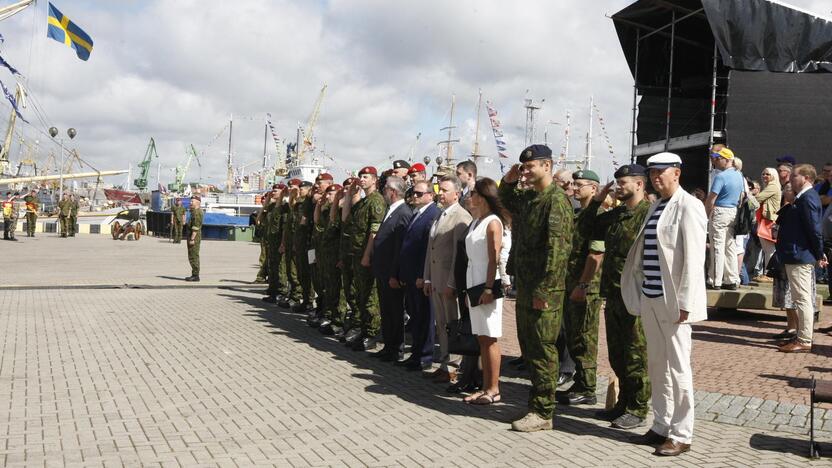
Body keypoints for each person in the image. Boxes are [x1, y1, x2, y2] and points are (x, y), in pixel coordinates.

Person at [621, 152, 708, 457]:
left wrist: (686, 301)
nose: (656, 178)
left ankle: (682, 434)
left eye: (661, 172)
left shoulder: (690, 206)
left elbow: (695, 260)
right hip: (651, 296)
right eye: (652, 173)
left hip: (674, 303)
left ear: (677, 173)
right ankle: (661, 424)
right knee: (657, 363)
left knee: (679, 367)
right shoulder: (656, 205)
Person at [499, 144, 573, 432]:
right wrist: (510, 177)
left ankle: (543, 412)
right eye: (523, 166)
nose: (526, 170)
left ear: (547, 166)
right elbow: (505, 197)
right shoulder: (530, 197)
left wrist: (545, 290)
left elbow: (558, 251)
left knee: (543, 348)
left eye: (531, 166)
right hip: (527, 285)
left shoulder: (556, 200)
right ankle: (537, 405)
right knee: (529, 347)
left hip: (545, 289)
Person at [579, 164, 652, 430]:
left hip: (636, 295)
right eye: (617, 183)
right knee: (617, 354)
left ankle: (638, 407)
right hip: (613, 293)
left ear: (640, 184)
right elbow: (586, 229)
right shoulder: (617, 214)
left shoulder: (649, 214)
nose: (618, 187)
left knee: (636, 354)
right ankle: (623, 403)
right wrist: (598, 200)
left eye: (623, 183)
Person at [461, 177, 510, 405]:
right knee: (481, 337)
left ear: (483, 196)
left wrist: (489, 287)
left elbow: (494, 258)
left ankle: (494, 388)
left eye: (473, 194)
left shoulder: (493, 222)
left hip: (487, 283)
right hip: (473, 280)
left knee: (490, 337)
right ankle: (484, 386)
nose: (469, 198)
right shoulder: (476, 221)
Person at [559, 170, 604, 406]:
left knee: (585, 337)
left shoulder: (597, 216)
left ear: (594, 189)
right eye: (573, 184)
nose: (575, 188)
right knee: (574, 336)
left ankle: (588, 387)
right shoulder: (578, 214)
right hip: (571, 283)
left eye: (580, 185)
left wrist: (584, 284)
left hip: (586, 287)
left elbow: (596, 254)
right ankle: (580, 382)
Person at [423, 175, 472, 383]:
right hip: (435, 279)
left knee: (452, 323)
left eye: (444, 190)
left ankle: (453, 366)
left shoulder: (460, 216)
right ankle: (444, 362)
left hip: (449, 281)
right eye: (439, 189)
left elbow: (458, 255)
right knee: (441, 324)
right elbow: (431, 249)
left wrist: (452, 283)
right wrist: (426, 278)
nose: (439, 193)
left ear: (456, 194)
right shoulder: (440, 215)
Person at [776, 164, 827, 353]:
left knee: (803, 298)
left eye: (794, 175)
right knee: (800, 297)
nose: (790, 179)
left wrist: (819, 252)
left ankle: (804, 339)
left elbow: (814, 229)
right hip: (796, 253)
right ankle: (801, 336)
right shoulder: (803, 197)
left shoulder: (808, 198)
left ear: (805, 177)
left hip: (800, 255)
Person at [397, 180, 442, 370]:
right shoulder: (418, 213)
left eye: (419, 194)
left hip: (420, 276)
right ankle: (416, 353)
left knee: (424, 317)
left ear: (430, 196)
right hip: (411, 275)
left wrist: (422, 275)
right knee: (416, 317)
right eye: (413, 193)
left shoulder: (433, 214)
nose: (414, 196)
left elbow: (427, 249)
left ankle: (424, 357)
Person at [370, 176, 413, 360]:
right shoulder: (391, 209)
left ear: (393, 192)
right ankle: (389, 345)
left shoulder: (403, 212)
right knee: (386, 310)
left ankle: (396, 349)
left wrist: (395, 274)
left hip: (392, 272)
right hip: (383, 270)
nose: (383, 191)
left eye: (385, 188)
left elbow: (400, 247)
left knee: (394, 311)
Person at [347, 166, 387, 351]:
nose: (361, 179)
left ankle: (372, 334)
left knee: (370, 296)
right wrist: (350, 193)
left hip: (366, 256)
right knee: (361, 294)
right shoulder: (364, 201)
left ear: (374, 179)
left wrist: (366, 254)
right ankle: (364, 330)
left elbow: (374, 231)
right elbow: (347, 216)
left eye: (365, 177)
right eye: (360, 176)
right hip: (356, 254)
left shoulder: (376, 201)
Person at [705, 147, 744, 290]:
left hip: (720, 211)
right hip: (733, 211)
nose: (715, 161)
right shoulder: (739, 175)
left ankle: (715, 280)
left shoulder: (721, 177)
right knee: (730, 246)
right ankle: (732, 279)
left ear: (727, 160)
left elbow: (711, 198)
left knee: (717, 247)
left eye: (717, 158)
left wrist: (707, 214)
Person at [754, 168, 781, 282]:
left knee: (769, 249)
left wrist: (748, 197)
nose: (765, 175)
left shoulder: (773, 186)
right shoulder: (770, 186)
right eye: (763, 173)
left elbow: (758, 198)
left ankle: (769, 275)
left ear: (773, 175)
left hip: (770, 221)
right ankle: (767, 273)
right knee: (767, 249)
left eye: (768, 174)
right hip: (766, 220)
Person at [263, 185, 287, 304]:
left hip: (279, 242)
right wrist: (267, 199)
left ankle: (281, 292)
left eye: (276, 191)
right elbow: (261, 216)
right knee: (271, 267)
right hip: (271, 242)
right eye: (272, 190)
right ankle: (272, 291)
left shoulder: (285, 207)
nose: (273, 192)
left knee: (280, 268)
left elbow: (284, 227)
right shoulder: (272, 206)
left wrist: (283, 243)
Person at [185, 196, 203, 282]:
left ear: (197, 202)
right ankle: (194, 274)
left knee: (193, 256)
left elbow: (196, 227)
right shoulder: (194, 212)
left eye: (192, 201)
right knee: (192, 255)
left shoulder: (197, 213)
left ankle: (195, 275)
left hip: (194, 237)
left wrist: (192, 239)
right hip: (192, 236)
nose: (190, 203)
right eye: (190, 201)